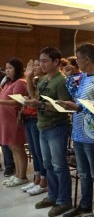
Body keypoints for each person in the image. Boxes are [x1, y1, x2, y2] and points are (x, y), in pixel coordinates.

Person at [56, 43, 94, 217]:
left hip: (93, 135)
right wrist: (69, 78)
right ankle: (85, 205)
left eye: (78, 58)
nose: (76, 61)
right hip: (79, 132)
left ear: (86, 59)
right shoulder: (85, 76)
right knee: (83, 173)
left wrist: (78, 108)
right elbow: (76, 97)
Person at [24, 47, 73, 217]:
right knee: (48, 164)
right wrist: (29, 79)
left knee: (59, 166)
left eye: (45, 61)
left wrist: (42, 105)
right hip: (43, 125)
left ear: (56, 62)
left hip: (57, 127)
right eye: (40, 61)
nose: (41, 64)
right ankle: (52, 195)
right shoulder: (44, 79)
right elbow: (35, 98)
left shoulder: (61, 81)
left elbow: (65, 107)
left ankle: (64, 200)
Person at [0, 58, 28, 187]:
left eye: (10, 68)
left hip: (14, 120)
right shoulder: (7, 83)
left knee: (18, 147)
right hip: (6, 119)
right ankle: (17, 174)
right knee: (12, 147)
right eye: (6, 68)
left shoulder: (20, 82)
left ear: (17, 69)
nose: (7, 70)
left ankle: (22, 176)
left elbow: (17, 102)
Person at [21, 59, 48, 195]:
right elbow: (32, 96)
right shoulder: (37, 81)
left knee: (40, 152)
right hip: (29, 117)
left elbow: (37, 99)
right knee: (34, 150)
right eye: (35, 65)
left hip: (40, 118)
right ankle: (37, 177)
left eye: (38, 65)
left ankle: (43, 179)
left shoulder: (47, 81)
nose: (36, 67)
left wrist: (28, 78)